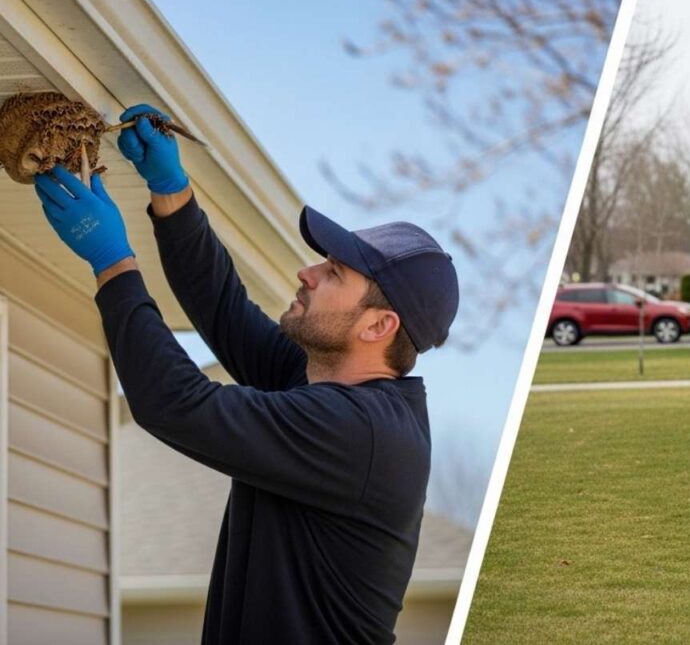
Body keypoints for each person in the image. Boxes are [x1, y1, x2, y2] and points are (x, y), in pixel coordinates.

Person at [32, 104, 459, 643]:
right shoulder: (324, 383)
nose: (307, 271)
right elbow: (225, 312)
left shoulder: (361, 433)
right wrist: (171, 193)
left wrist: (113, 264)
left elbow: (177, 405)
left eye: (333, 272)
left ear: (377, 325)